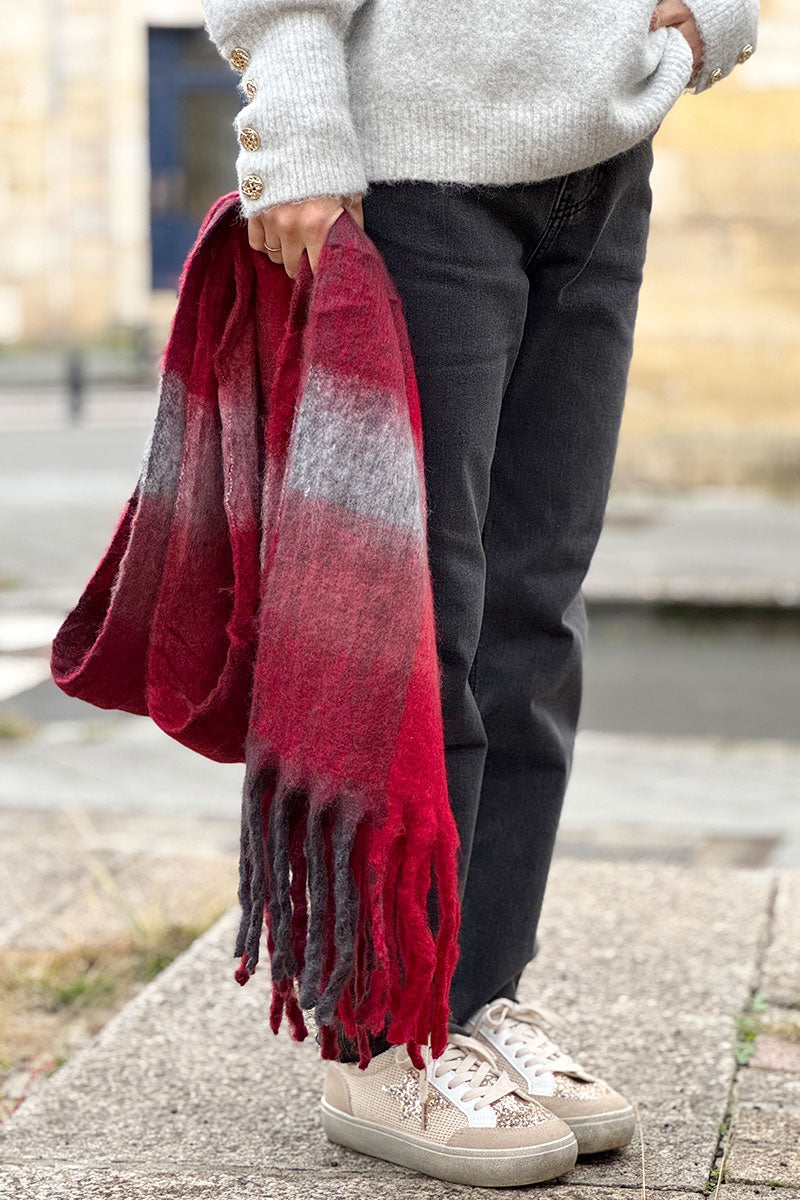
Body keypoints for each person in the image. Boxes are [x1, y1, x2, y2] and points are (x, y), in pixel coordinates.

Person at [201, 0, 759, 1187]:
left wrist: (718, 15)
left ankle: (475, 992)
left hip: (602, 164)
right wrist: (296, 125)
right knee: (409, 617)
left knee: (534, 608)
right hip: (417, 169)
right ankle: (375, 1036)